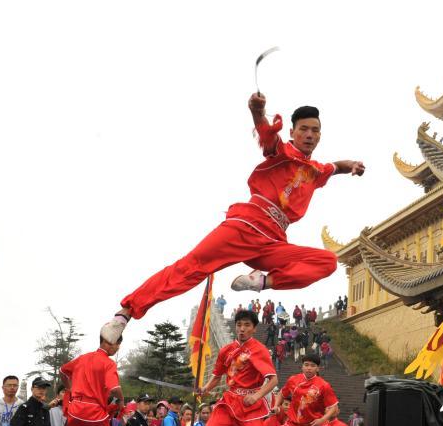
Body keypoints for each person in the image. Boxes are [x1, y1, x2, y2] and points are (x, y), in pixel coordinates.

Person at [102, 94, 366, 343]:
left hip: (272, 242)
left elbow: (336, 166)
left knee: (327, 261)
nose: (309, 135)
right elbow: (266, 138)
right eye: (303, 129)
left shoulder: (316, 170)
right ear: (293, 133)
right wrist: (257, 112)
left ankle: (261, 281)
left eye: (315, 130)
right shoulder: (282, 151)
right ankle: (124, 313)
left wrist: (351, 165)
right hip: (245, 226)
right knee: (190, 267)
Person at [193, 309, 278, 426]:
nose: (242, 329)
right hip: (229, 402)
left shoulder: (259, 350)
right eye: (239, 325)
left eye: (247, 325)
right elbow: (216, 375)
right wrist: (204, 389)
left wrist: (256, 396)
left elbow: (273, 380)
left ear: (254, 328)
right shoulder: (227, 350)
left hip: (251, 404)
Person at [59, 333, 124, 426]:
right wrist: (121, 400)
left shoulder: (83, 358)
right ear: (109, 342)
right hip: (95, 411)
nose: (118, 348)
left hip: (75, 409)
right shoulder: (108, 363)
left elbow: (62, 371)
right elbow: (114, 388)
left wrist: (70, 388)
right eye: (117, 344)